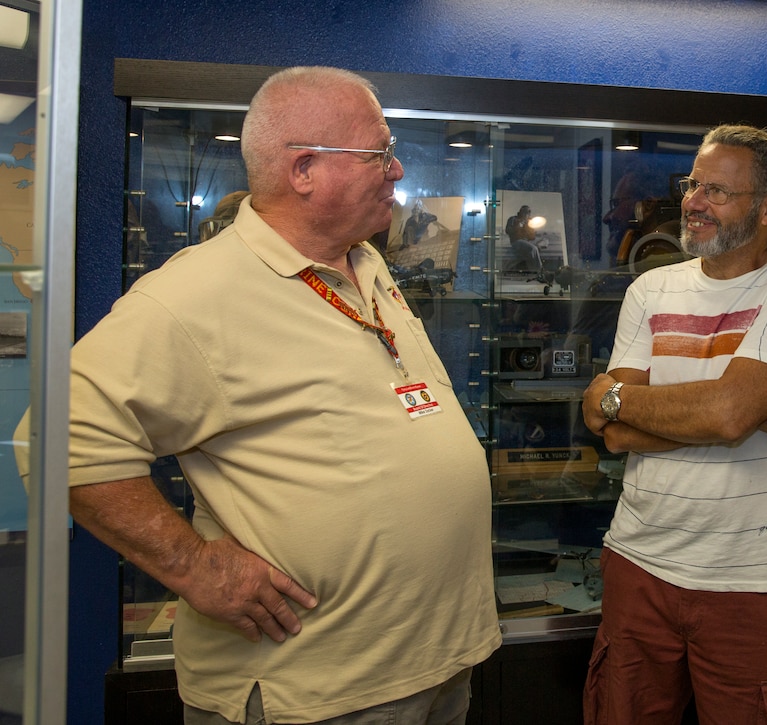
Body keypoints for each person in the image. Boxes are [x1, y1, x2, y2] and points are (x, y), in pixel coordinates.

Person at [16, 67, 501, 724]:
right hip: (317, 690)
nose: (396, 170)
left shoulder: (364, 261)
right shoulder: (195, 295)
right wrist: (192, 565)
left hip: (435, 662)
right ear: (304, 170)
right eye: (379, 153)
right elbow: (52, 433)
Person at [581, 124, 767, 724]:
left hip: (759, 575)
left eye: (717, 191)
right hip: (640, 560)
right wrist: (747, 411)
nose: (693, 202)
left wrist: (634, 403)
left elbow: (721, 415)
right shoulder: (651, 287)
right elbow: (607, 425)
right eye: (693, 184)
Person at [504, 204, 543, 274]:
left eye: (528, 212)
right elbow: (508, 231)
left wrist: (531, 230)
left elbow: (532, 237)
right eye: (525, 212)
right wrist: (518, 226)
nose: (527, 214)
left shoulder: (529, 222)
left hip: (527, 242)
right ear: (521, 212)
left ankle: (538, 246)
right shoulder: (513, 219)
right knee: (534, 249)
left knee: (544, 240)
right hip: (517, 241)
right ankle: (539, 271)